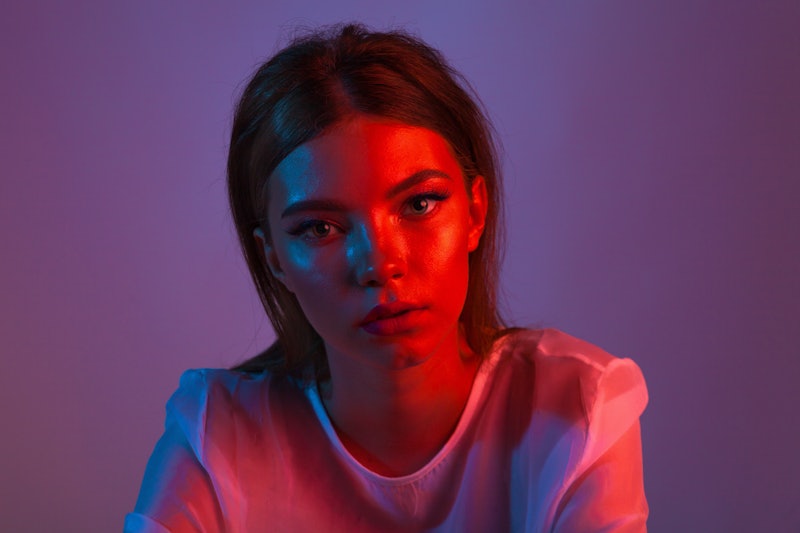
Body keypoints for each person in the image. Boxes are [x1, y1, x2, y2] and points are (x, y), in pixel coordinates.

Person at [125, 23, 648, 532]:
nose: (378, 264)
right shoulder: (216, 432)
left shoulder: (576, 405)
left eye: (420, 203)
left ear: (474, 210)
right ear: (275, 259)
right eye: (320, 228)